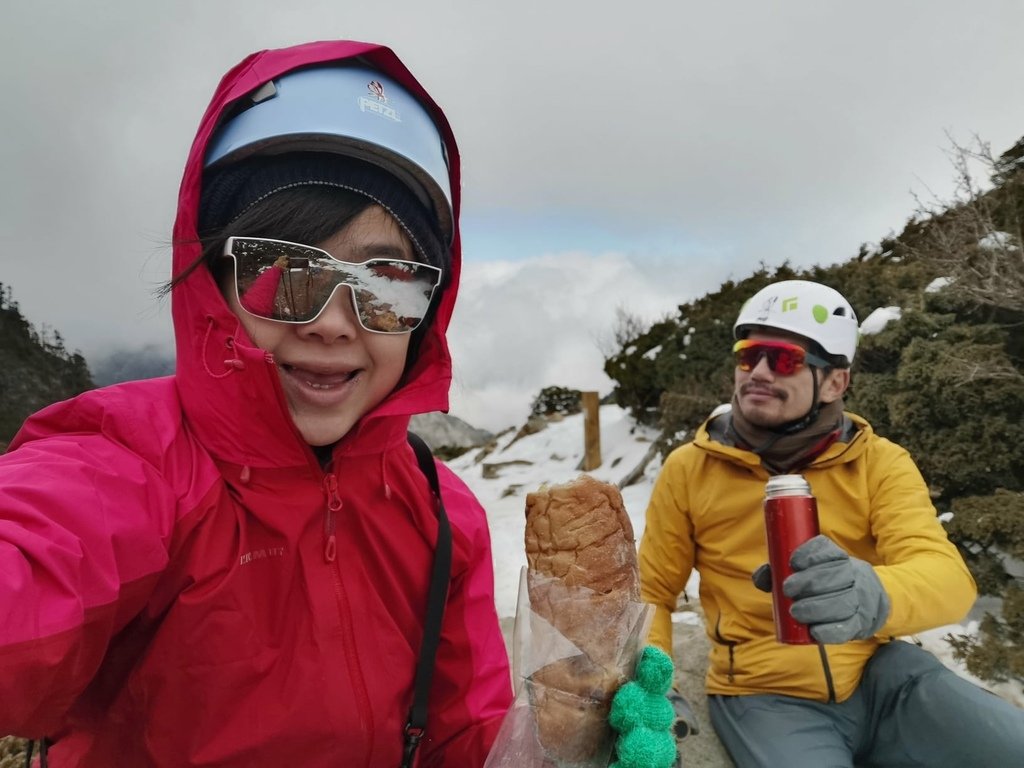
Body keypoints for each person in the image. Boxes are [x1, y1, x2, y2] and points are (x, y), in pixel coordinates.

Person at [0, 40, 514, 766]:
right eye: (283, 269)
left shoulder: (441, 514)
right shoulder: (130, 461)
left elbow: (470, 738)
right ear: (214, 282)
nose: (333, 321)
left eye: (387, 283)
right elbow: (31, 564)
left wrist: (568, 739)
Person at [638, 279, 1024, 767]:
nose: (757, 371)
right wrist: (655, 686)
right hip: (764, 692)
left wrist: (873, 592)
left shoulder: (878, 461)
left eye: (783, 359)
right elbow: (651, 592)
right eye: (747, 355)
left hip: (884, 676)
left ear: (836, 382)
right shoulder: (689, 468)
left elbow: (949, 582)